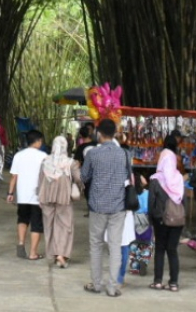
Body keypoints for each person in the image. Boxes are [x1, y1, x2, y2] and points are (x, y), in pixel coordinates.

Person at [80, 118, 130, 298]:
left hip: (97, 205)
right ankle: (112, 287)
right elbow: (128, 177)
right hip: (118, 206)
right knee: (115, 246)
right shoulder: (124, 154)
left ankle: (96, 284)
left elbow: (84, 177)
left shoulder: (93, 153)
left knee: (96, 245)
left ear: (98, 133)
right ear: (115, 133)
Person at [148, 135, 186, 292]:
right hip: (177, 219)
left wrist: (151, 220)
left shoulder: (156, 179)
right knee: (172, 250)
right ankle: (174, 283)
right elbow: (183, 201)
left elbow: (151, 203)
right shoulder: (179, 179)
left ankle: (158, 281)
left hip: (161, 219)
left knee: (160, 249)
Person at [38, 134, 82, 268]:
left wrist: (39, 196)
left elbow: (40, 180)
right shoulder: (70, 163)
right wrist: (80, 188)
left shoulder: (45, 161)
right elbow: (79, 179)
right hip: (64, 197)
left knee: (49, 225)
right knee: (64, 225)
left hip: (46, 196)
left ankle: (52, 254)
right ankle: (61, 255)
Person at [7, 129, 48, 259]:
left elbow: (14, 176)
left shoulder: (18, 155)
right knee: (36, 224)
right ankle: (33, 253)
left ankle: (21, 243)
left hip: (22, 195)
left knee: (22, 219)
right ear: (38, 141)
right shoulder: (43, 156)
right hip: (37, 196)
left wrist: (10, 193)